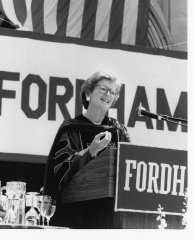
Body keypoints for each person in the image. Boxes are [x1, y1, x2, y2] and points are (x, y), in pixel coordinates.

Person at [43, 70, 131, 228]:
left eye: (112, 92)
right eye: (103, 89)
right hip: (77, 213)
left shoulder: (118, 131)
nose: (108, 94)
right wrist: (89, 152)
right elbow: (58, 172)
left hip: (109, 214)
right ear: (88, 93)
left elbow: (130, 169)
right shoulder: (71, 129)